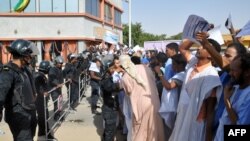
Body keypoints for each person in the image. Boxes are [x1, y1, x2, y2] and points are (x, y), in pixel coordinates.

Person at [169, 38, 222, 141]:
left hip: (195, 123)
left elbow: (210, 110)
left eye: (203, 47)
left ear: (211, 54)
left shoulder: (211, 75)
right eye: (200, 45)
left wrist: (208, 137)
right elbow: (182, 48)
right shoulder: (193, 63)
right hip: (182, 117)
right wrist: (196, 38)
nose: (199, 47)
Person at [119, 55, 165, 141]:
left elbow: (128, 92)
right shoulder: (147, 69)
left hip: (140, 105)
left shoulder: (126, 76)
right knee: (155, 127)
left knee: (140, 130)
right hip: (154, 101)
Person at [0, 39, 37, 141]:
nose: (31, 57)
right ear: (23, 55)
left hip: (29, 112)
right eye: (29, 54)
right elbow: (0, 94)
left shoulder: (24, 69)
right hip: (18, 116)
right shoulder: (8, 72)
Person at [214, 53, 250, 141]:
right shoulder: (234, 88)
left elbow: (240, 130)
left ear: (247, 72)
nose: (230, 73)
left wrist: (227, 101)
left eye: (234, 71)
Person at [154, 54, 187, 140]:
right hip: (174, 109)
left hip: (175, 110)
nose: (172, 66)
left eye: (174, 64)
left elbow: (169, 86)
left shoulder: (182, 75)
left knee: (170, 134)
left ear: (180, 65)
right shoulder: (179, 74)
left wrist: (159, 73)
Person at [34, 61, 56, 140]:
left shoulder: (40, 75)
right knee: (44, 116)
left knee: (42, 117)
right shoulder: (39, 76)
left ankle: (42, 132)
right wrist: (43, 93)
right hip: (40, 101)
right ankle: (46, 133)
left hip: (41, 100)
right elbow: (36, 87)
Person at [100, 65, 121, 141]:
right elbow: (109, 88)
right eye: (114, 68)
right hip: (109, 108)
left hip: (112, 107)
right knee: (109, 131)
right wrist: (119, 84)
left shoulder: (110, 78)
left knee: (110, 130)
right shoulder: (106, 79)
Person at [48, 56, 64, 121]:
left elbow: (61, 77)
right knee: (56, 102)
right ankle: (56, 116)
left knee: (59, 101)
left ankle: (59, 114)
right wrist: (57, 84)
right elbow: (52, 78)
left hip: (59, 88)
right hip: (54, 88)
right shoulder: (52, 69)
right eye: (59, 63)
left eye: (61, 63)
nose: (61, 64)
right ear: (56, 62)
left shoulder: (60, 69)